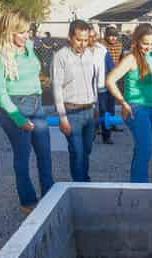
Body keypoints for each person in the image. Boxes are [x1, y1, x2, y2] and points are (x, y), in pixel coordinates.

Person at [0, 10, 54, 214]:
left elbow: (34, 74)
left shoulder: (28, 47)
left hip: (36, 104)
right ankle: (28, 201)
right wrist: (19, 119)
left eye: (28, 31)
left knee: (45, 154)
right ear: (10, 31)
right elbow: (0, 93)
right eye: (22, 32)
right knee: (22, 157)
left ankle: (50, 195)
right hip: (14, 109)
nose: (27, 35)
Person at [106, 24, 152, 183]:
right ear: (136, 41)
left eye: (151, 43)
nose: (148, 47)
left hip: (148, 109)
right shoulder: (130, 58)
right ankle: (140, 187)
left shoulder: (151, 58)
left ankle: (138, 184)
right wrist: (123, 103)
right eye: (145, 43)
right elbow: (110, 80)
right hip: (136, 109)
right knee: (145, 150)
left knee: (143, 150)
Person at [51, 20, 98, 182]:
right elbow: (56, 88)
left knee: (87, 150)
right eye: (79, 39)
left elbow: (93, 81)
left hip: (90, 111)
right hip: (72, 112)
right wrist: (62, 118)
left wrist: (95, 106)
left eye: (86, 40)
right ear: (70, 37)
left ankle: (84, 180)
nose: (82, 43)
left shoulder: (90, 55)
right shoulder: (60, 57)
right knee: (77, 152)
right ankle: (80, 185)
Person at [88, 26, 115, 144]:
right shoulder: (80, 50)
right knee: (90, 112)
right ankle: (91, 135)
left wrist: (111, 82)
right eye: (90, 36)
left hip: (102, 86)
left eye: (95, 36)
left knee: (105, 111)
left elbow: (111, 67)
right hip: (87, 88)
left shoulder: (102, 49)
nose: (93, 39)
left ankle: (106, 135)